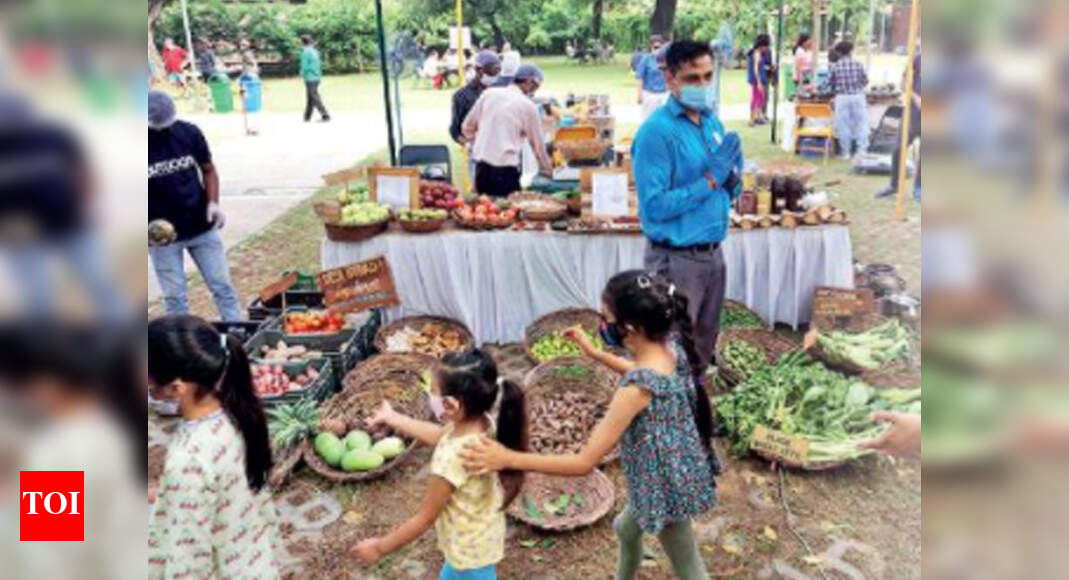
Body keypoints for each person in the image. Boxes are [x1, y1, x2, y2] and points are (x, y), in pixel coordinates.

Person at [461, 270, 719, 580]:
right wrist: (595, 353)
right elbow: (640, 370)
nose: (601, 325)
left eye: (605, 318)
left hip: (666, 488)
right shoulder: (670, 349)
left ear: (630, 329)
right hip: (665, 471)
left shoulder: (634, 391)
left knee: (689, 567)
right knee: (625, 529)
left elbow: (583, 462)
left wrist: (508, 458)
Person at [352, 349, 527, 579]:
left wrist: (379, 548)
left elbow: (425, 518)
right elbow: (438, 435)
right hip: (479, 535)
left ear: (452, 405)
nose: (429, 396)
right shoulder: (483, 422)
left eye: (433, 391)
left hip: (469, 554)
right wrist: (394, 417)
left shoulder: (452, 458)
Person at [631, 41, 743, 372]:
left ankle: (694, 397)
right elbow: (654, 206)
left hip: (712, 253)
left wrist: (732, 182)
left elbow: (722, 186)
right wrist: (710, 181)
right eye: (693, 78)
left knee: (702, 346)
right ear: (670, 79)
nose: (703, 85)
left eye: (708, 76)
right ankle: (668, 403)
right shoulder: (655, 133)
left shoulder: (711, 123)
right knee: (669, 350)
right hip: (676, 260)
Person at [147, 316, 278, 578]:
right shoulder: (237, 413)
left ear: (176, 387)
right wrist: (168, 496)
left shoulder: (188, 461)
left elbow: (189, 563)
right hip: (254, 563)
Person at [0, 91, 129, 321]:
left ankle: (122, 330)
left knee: (98, 280)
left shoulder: (54, 136)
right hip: (21, 236)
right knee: (37, 296)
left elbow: (84, 173)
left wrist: (86, 207)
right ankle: (44, 340)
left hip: (71, 224)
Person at [147, 91, 244, 321]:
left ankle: (237, 331)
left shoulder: (188, 132)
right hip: (162, 237)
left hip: (201, 225)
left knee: (222, 287)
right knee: (175, 298)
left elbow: (208, 169)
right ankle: (180, 339)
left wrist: (213, 204)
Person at [462, 64, 554, 197]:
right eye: (535, 87)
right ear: (529, 82)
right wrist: (547, 170)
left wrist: (482, 143)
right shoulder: (528, 106)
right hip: (506, 170)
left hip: (482, 167)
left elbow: (467, 127)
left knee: (484, 207)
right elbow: (538, 146)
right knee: (507, 208)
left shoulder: (489, 94)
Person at [876, 46, 921, 199]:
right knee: (898, 148)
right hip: (913, 113)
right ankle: (894, 185)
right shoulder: (917, 59)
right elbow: (903, 84)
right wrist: (915, 97)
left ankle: (919, 187)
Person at [828, 40, 869, 159]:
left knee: (843, 125)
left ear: (839, 53)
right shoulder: (858, 64)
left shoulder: (835, 66)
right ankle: (862, 151)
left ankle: (845, 152)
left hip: (842, 97)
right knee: (861, 124)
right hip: (858, 96)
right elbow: (865, 80)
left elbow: (831, 83)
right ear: (851, 51)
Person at [449, 50, 501, 144]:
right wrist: (470, 145)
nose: (496, 74)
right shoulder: (462, 96)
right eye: (492, 71)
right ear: (478, 70)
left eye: (498, 70)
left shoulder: (502, 91)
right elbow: (455, 130)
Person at [635, 35, 669, 122]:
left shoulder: (666, 59)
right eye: (655, 47)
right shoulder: (646, 59)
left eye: (659, 47)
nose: (657, 50)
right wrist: (639, 95)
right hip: (650, 94)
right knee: (648, 119)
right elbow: (639, 77)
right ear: (651, 47)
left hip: (664, 94)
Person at [299, 34, 330, 122]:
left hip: (310, 77)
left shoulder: (305, 52)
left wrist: (302, 73)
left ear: (302, 42)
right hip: (316, 76)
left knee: (314, 96)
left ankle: (325, 115)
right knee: (310, 97)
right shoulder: (314, 51)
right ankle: (307, 117)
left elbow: (304, 65)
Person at [746, 34, 775, 126]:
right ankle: (752, 119)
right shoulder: (757, 53)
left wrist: (769, 68)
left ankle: (758, 116)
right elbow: (755, 69)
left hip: (761, 78)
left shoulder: (757, 53)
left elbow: (760, 66)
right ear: (762, 45)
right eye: (766, 46)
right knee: (756, 98)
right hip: (757, 80)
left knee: (760, 98)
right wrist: (758, 82)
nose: (766, 49)